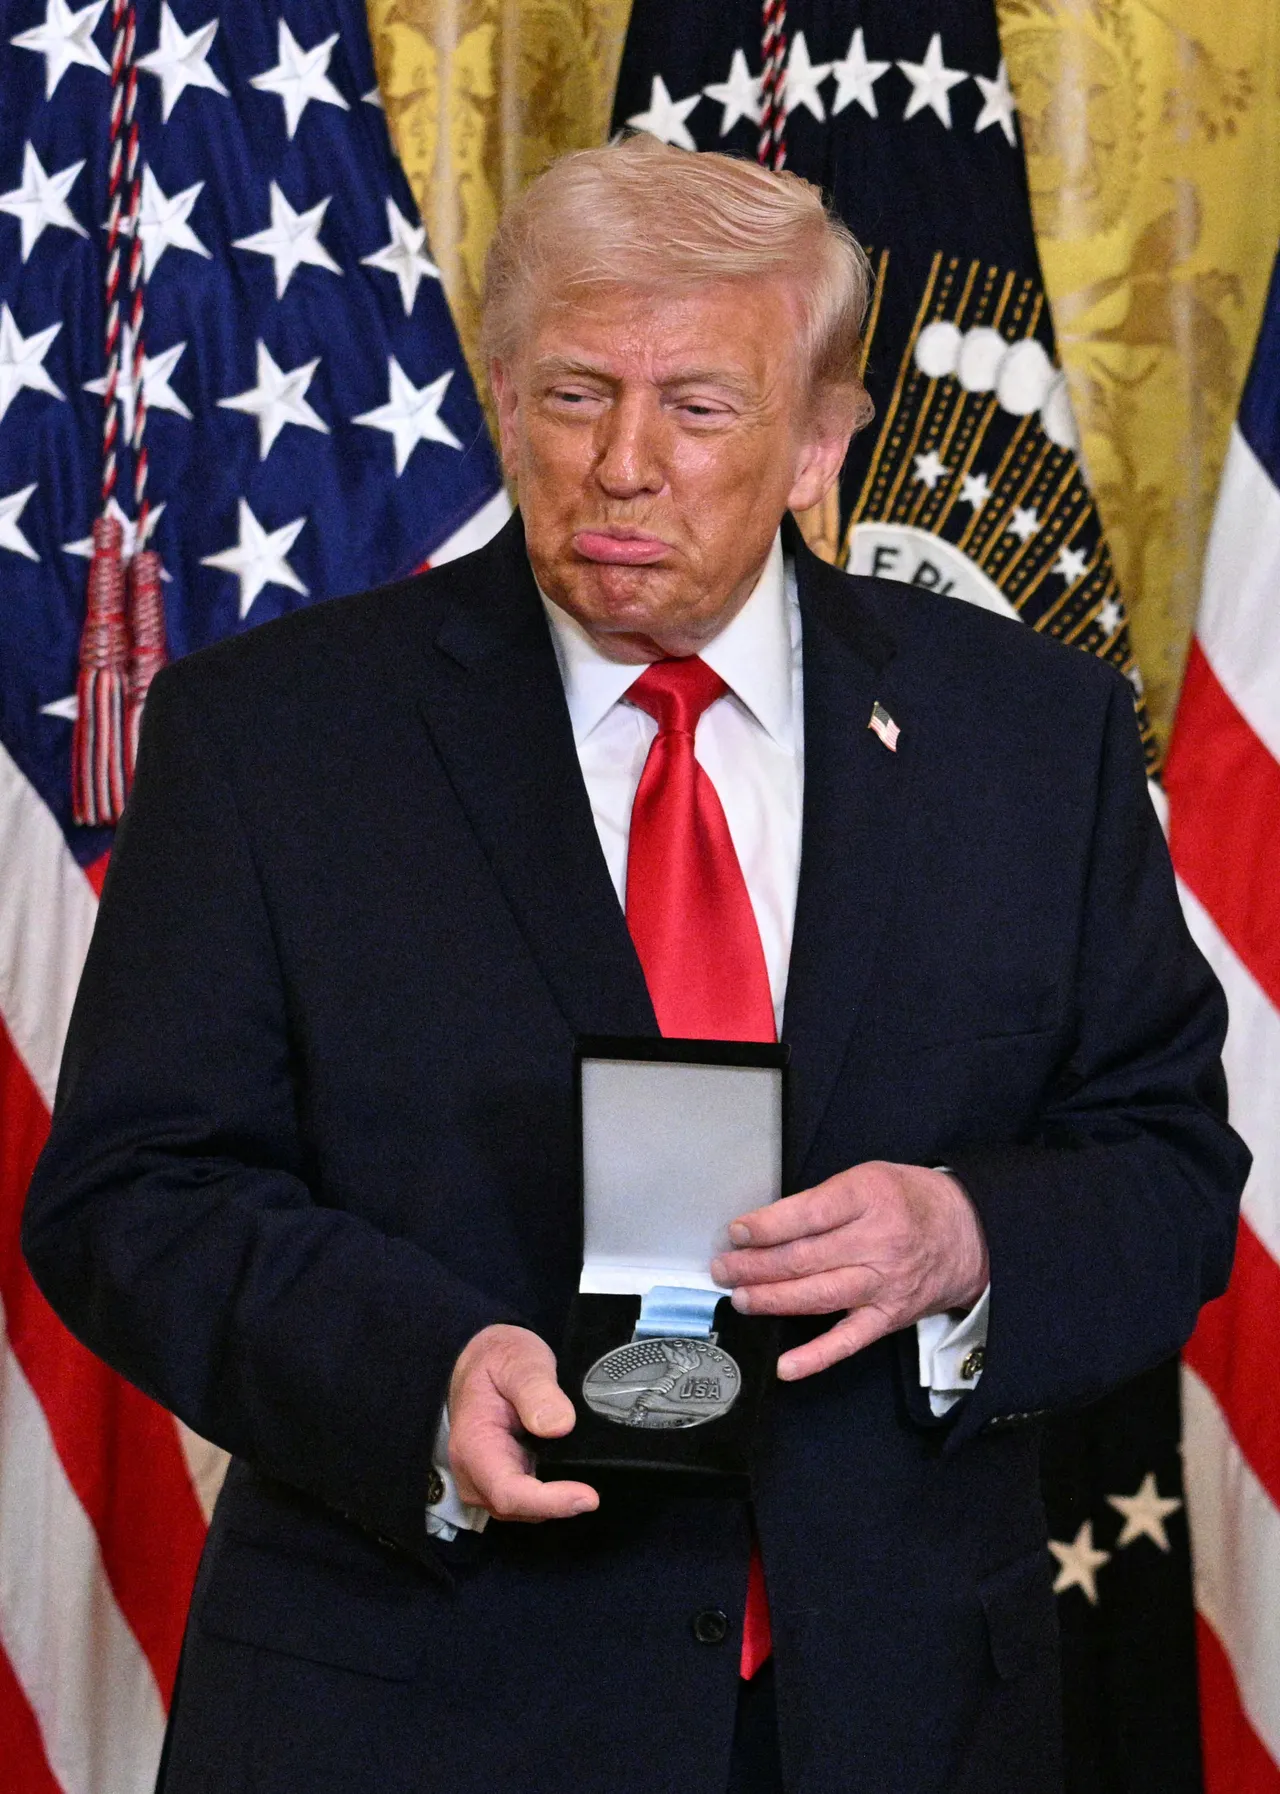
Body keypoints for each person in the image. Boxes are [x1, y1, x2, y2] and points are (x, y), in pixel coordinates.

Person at [24, 136, 1247, 1794]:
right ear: (508, 400)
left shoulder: (1032, 737)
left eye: (698, 406)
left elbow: (1169, 1165)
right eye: (578, 394)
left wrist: (964, 1238)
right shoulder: (274, 738)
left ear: (821, 442)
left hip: (894, 1717)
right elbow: (127, 1189)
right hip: (410, 1707)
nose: (622, 465)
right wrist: (420, 1373)